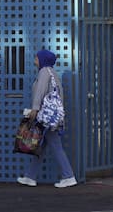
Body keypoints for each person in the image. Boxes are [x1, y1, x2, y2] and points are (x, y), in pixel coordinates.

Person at [16, 49, 77, 188]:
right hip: (51, 117)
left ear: (42, 59)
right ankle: (30, 176)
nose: (34, 60)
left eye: (36, 58)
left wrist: (35, 109)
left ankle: (69, 176)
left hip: (46, 118)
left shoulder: (44, 72)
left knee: (55, 145)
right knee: (40, 146)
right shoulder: (53, 73)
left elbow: (40, 91)